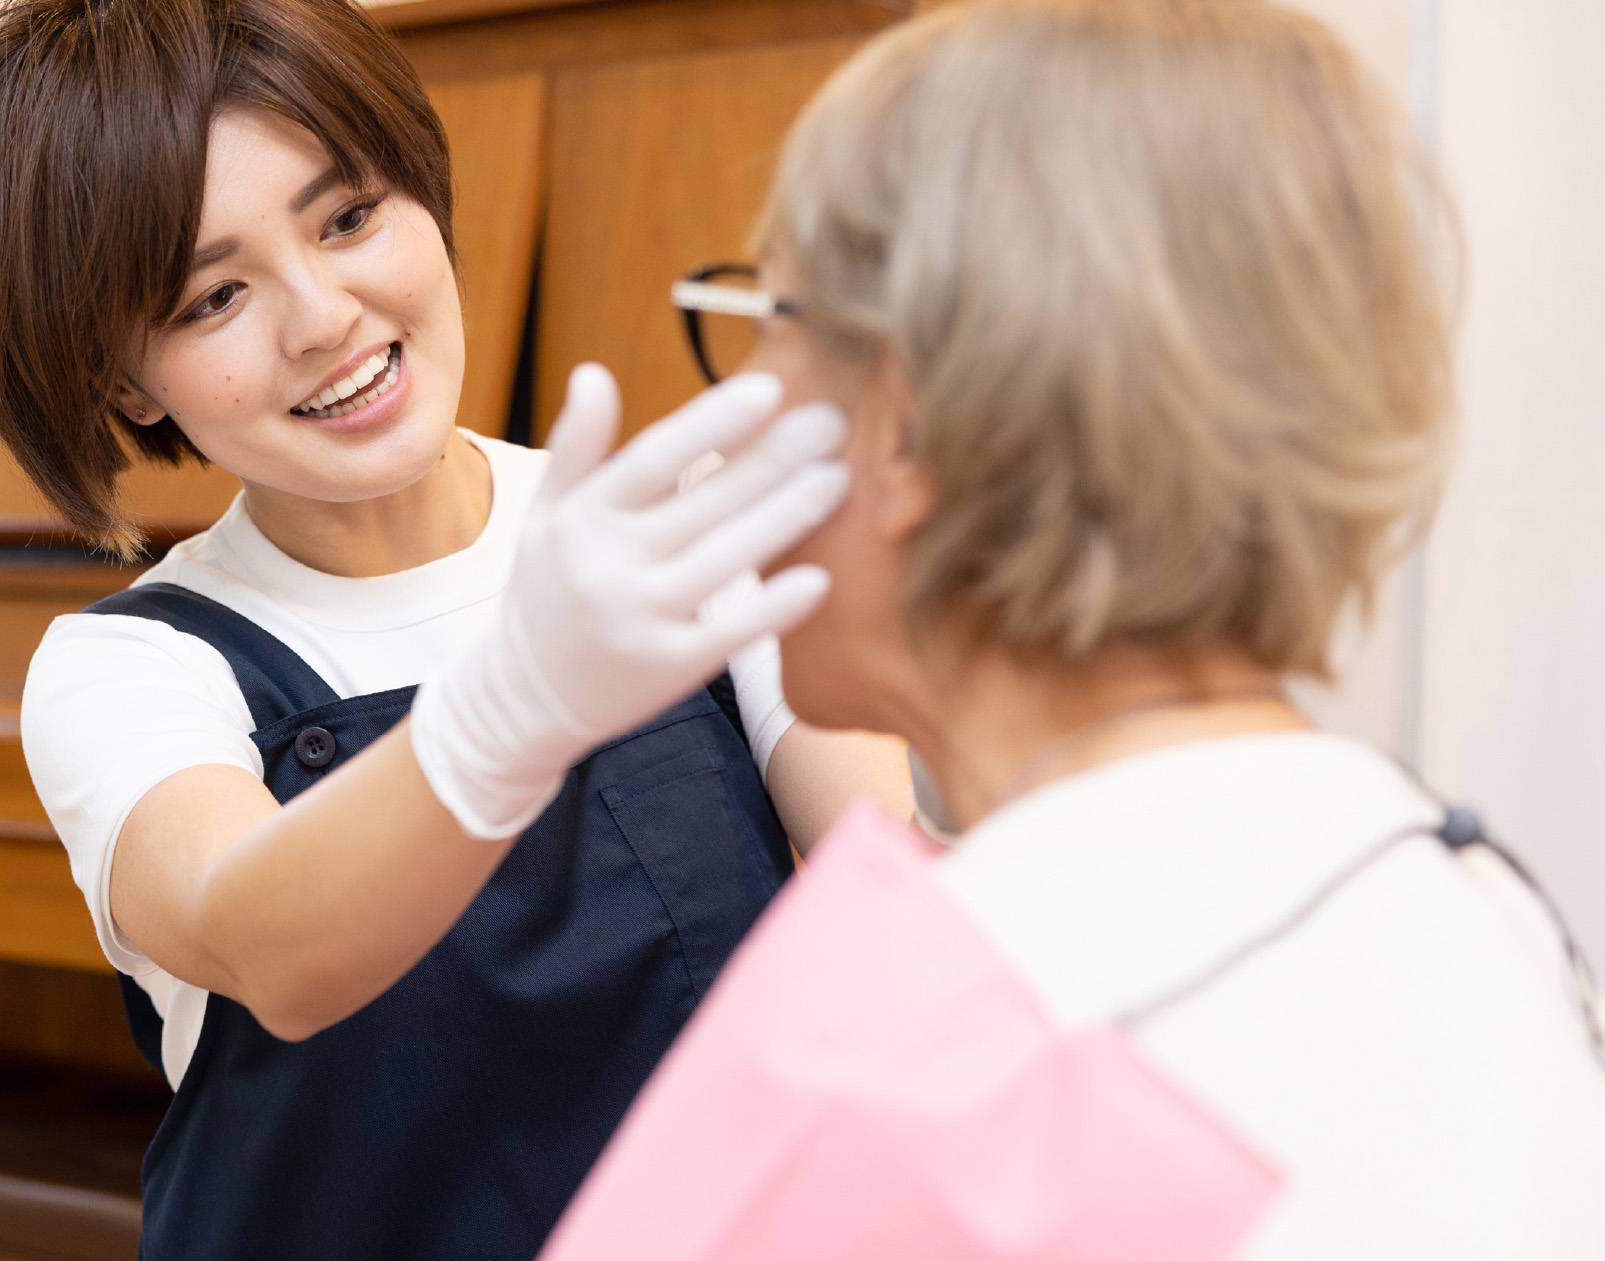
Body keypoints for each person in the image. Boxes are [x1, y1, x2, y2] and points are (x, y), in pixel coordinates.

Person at [545, 1, 1605, 1257]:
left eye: (768, 319)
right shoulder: (1472, 906)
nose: (737, 395)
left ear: (905, 423)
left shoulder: (906, 1043)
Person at [0, 1, 907, 1256]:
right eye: (213, 295)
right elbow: (269, 944)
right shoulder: (131, 667)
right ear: (119, 378)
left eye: (350, 216)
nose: (321, 315)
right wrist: (515, 704)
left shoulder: (679, 524)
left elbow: (903, 885)